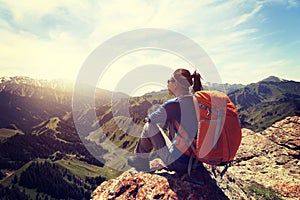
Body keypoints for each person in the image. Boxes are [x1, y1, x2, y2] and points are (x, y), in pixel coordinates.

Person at [128, 68, 203, 174]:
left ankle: (141, 160)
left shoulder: (175, 104)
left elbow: (150, 119)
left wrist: (149, 118)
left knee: (149, 126)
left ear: (175, 84)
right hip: (195, 161)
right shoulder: (195, 100)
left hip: (179, 164)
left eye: (169, 81)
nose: (167, 84)